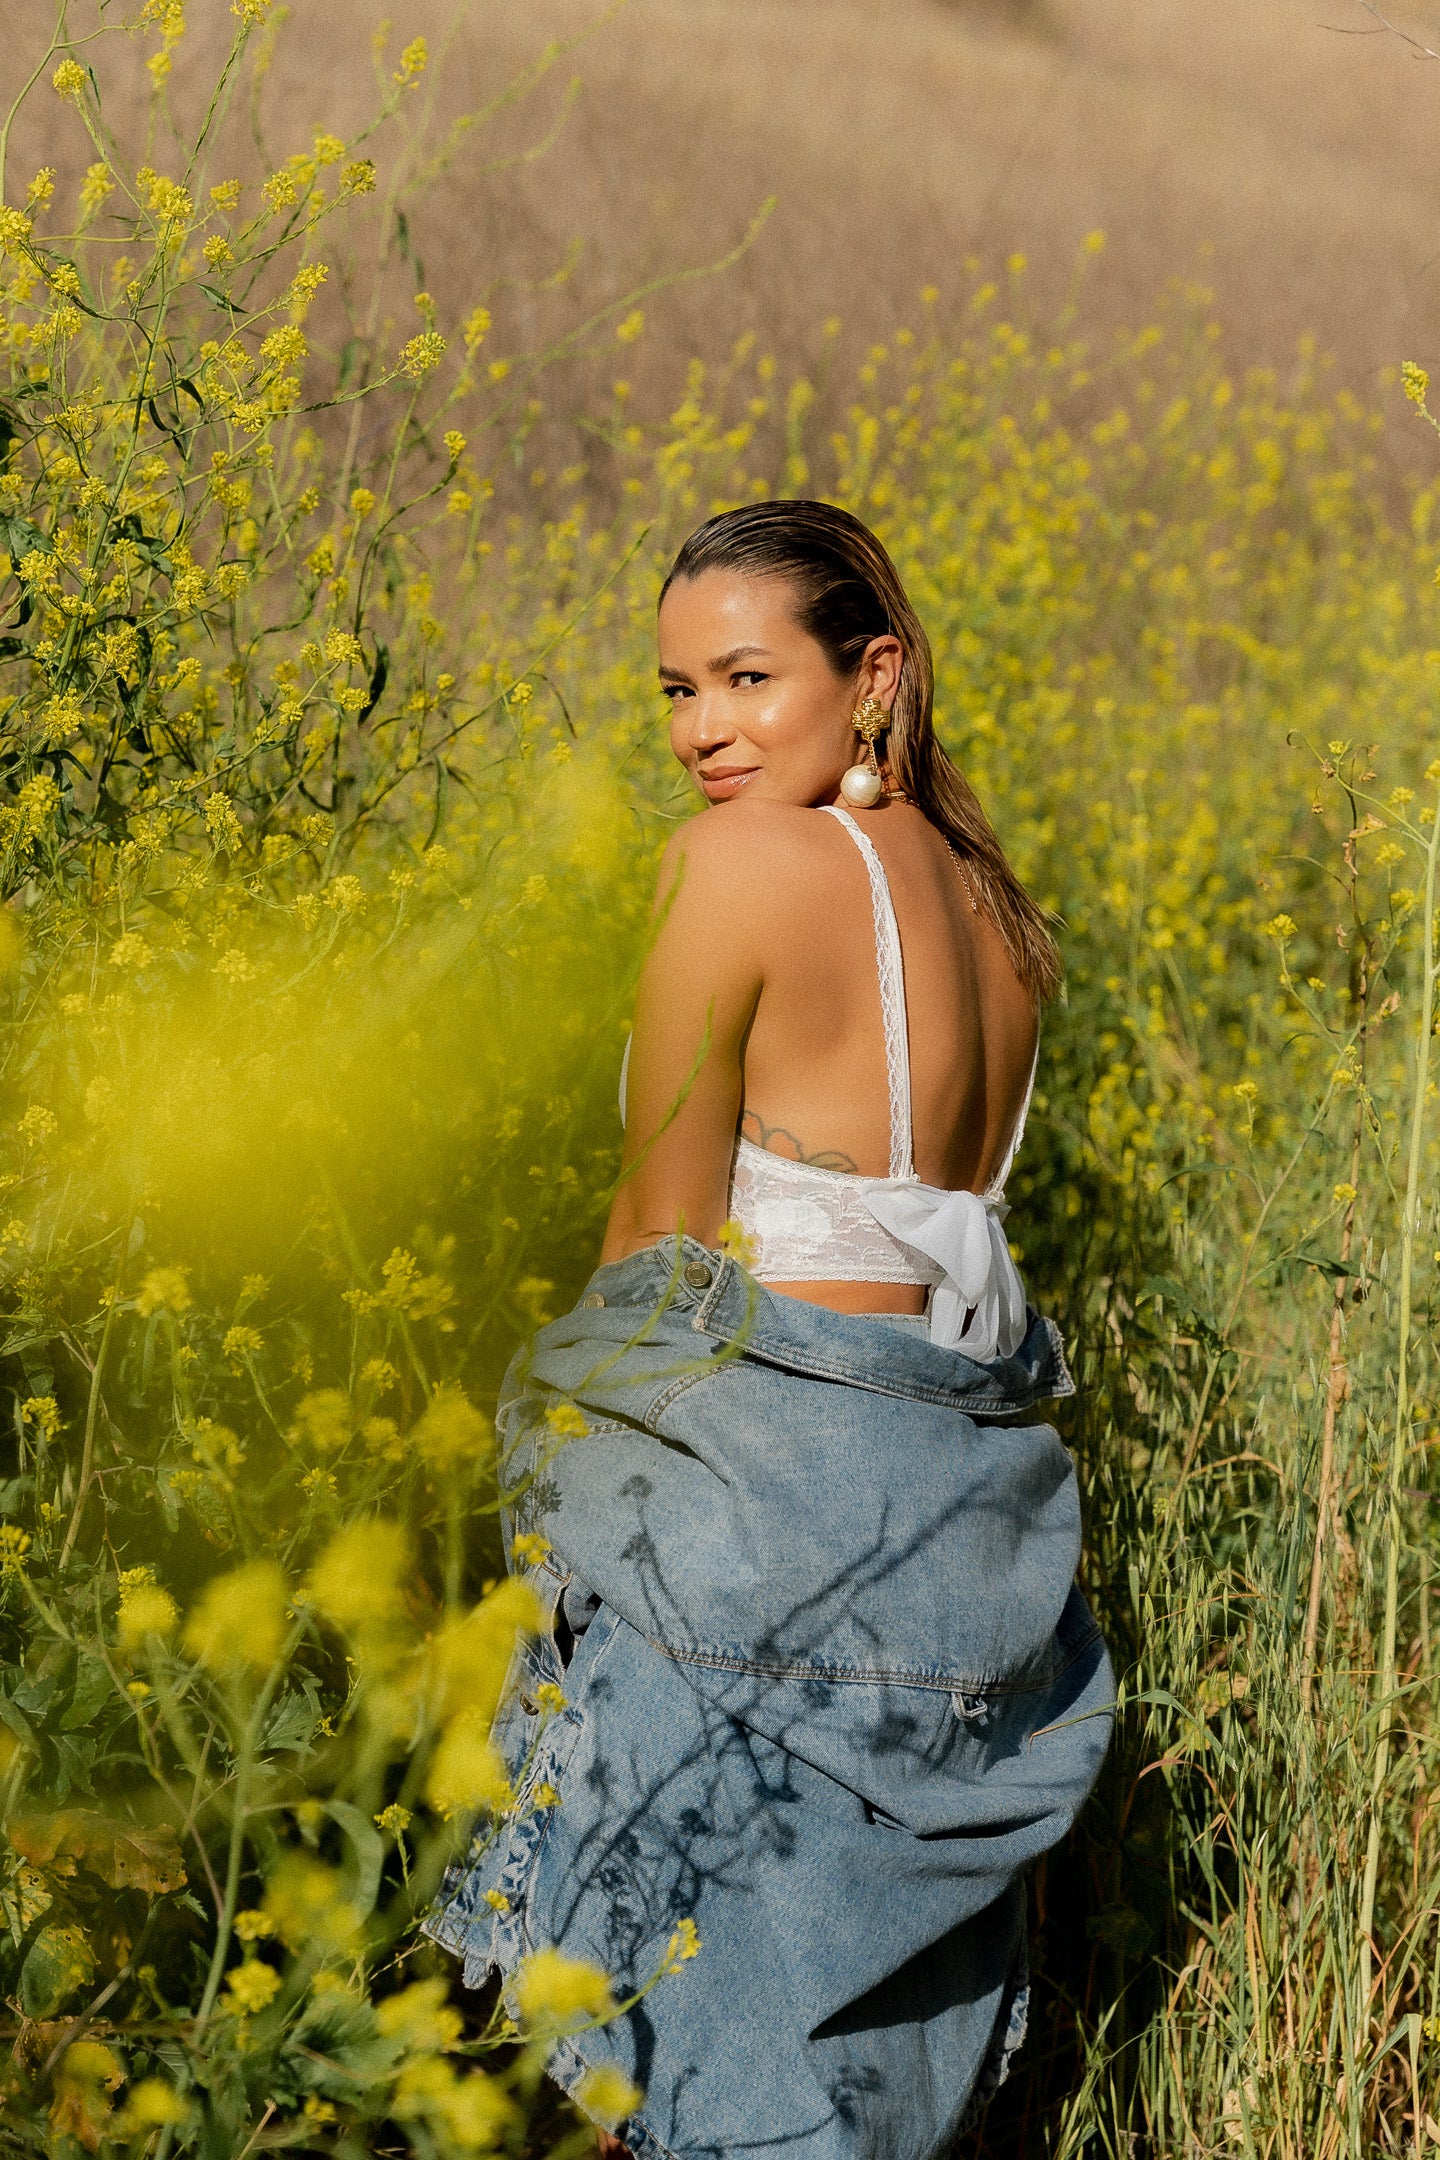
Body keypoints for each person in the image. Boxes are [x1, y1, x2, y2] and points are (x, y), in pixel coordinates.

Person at [425, 501, 1113, 2160]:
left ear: (873, 674)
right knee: (862, 2072)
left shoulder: (729, 867)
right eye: (673, 691)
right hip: (962, 1523)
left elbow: (661, 1241)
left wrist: (544, 1493)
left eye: (746, 677)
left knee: (651, 2058)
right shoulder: (1003, 920)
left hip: (756, 1507)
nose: (702, 733)